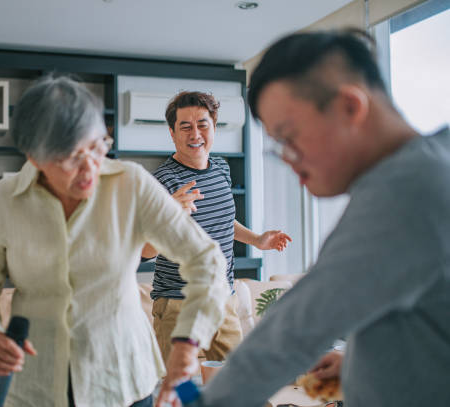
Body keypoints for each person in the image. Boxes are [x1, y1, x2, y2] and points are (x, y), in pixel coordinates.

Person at [186, 29, 450, 407]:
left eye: (290, 138)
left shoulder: (406, 193)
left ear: (350, 107)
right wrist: (357, 362)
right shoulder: (436, 162)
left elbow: (293, 331)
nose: (289, 161)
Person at [0, 75, 231, 407]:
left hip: (124, 377)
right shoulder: (3, 200)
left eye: (98, 147)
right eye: (72, 158)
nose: (91, 169)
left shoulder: (131, 183)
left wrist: (187, 344)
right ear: (34, 157)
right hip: (36, 385)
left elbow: (206, 259)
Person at [147, 91, 291, 406]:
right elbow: (144, 251)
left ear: (214, 127)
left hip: (221, 301)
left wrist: (257, 240)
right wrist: (168, 213)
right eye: (185, 127)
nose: (195, 134)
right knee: (184, 392)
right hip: (177, 306)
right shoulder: (162, 182)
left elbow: (225, 221)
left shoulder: (221, 169)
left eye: (203, 124)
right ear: (172, 133)